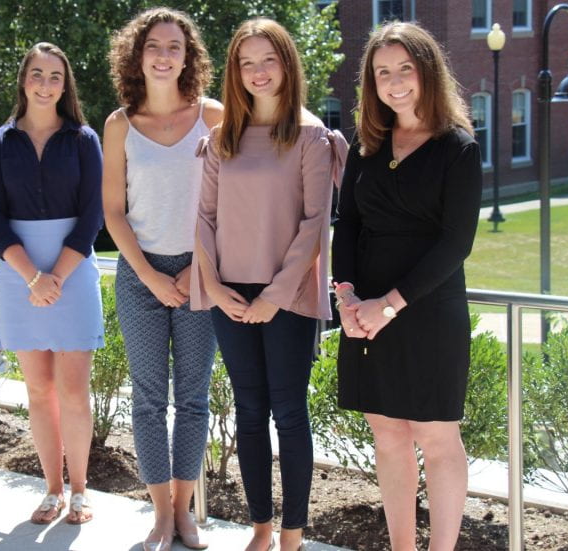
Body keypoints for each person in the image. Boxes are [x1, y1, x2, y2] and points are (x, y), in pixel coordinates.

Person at [191, 18, 347, 551]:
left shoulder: (310, 136)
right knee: (249, 412)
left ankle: (292, 534)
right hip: (228, 294)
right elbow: (204, 220)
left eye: (268, 60)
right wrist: (212, 286)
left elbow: (314, 223)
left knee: (289, 412)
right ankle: (260, 526)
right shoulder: (220, 139)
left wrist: (274, 298)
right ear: (235, 71)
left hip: (290, 296)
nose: (257, 72)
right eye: (245, 62)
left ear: (288, 65)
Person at [331, 21, 483, 551]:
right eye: (382, 72)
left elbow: (455, 243)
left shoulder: (458, 149)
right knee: (388, 432)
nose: (394, 82)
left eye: (405, 70)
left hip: (427, 307)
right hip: (365, 307)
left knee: (436, 435)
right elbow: (346, 222)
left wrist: (388, 306)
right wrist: (347, 298)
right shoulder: (366, 144)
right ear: (370, 83)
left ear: (427, 73)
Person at [102, 7, 222, 551]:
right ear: (138, 54)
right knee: (149, 399)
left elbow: (232, 202)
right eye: (154, 45)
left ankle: (184, 513)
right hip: (140, 273)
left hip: (202, 274)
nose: (164, 55)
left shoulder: (215, 116)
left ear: (188, 57)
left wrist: (201, 265)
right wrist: (149, 275)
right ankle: (158, 518)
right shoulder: (120, 125)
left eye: (175, 46)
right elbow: (112, 212)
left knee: (193, 398)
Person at [0, 42, 103, 526]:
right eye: (37, 73)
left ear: (65, 84)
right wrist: (32, 276)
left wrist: (54, 277)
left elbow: (93, 216)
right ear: (23, 80)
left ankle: (80, 491)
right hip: (18, 275)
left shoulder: (84, 140)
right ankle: (51, 490)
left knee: (74, 390)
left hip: (72, 272)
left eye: (55, 75)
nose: (46, 84)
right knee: (38, 390)